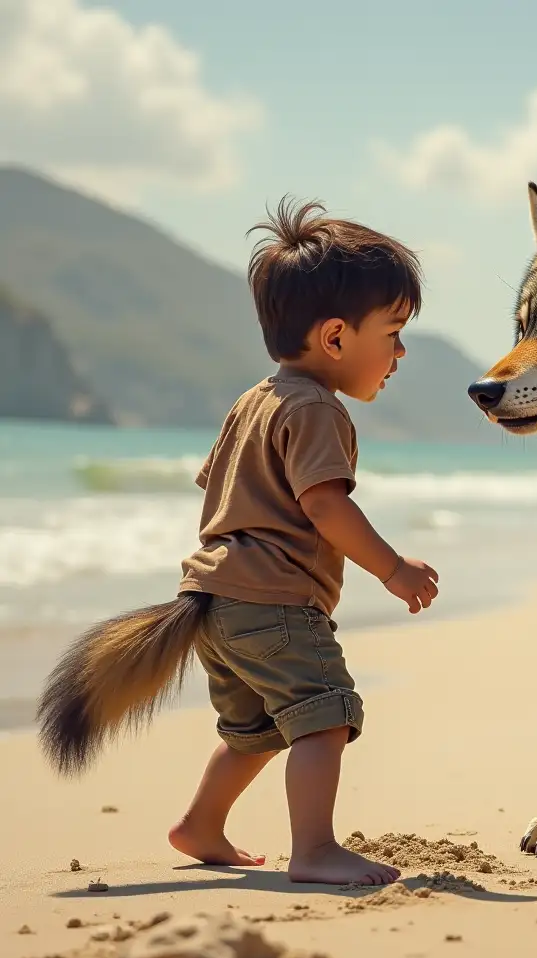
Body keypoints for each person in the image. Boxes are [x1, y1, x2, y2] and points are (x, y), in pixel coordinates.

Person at [37, 197, 439, 886]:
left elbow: (220, 492)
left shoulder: (255, 401)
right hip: (275, 603)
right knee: (324, 716)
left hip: (215, 599)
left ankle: (200, 826)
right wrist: (392, 568)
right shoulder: (316, 410)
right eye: (394, 333)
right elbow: (324, 505)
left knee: (253, 732)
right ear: (336, 338)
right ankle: (314, 850)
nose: (401, 353)